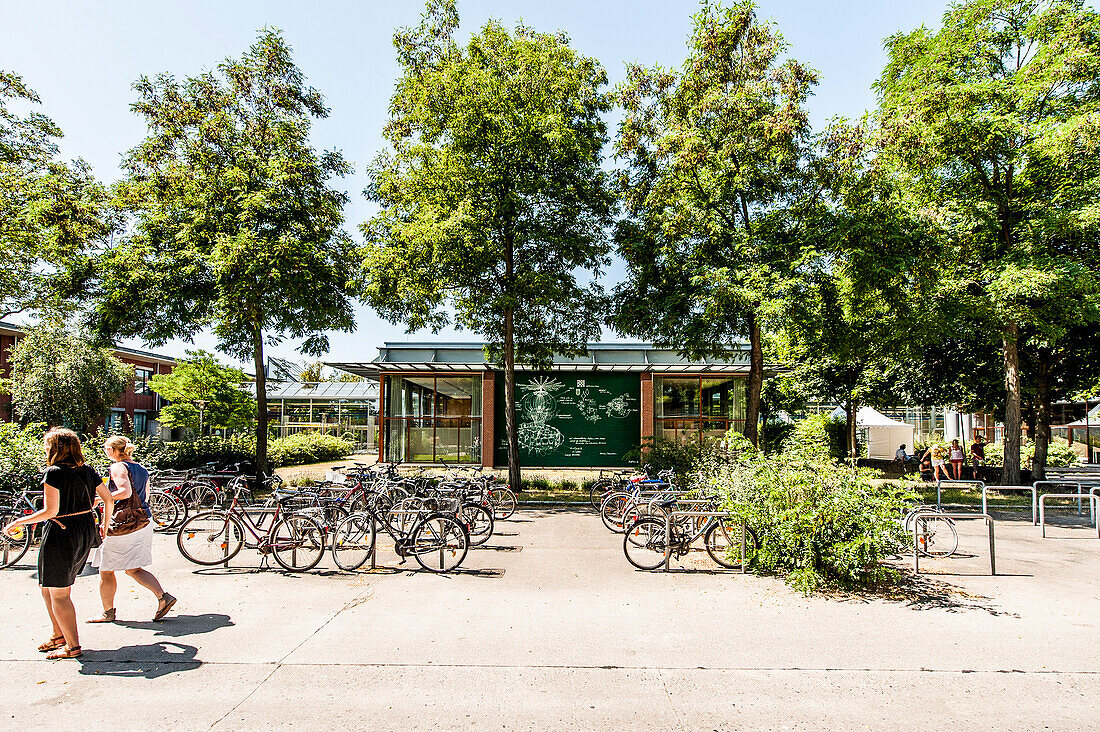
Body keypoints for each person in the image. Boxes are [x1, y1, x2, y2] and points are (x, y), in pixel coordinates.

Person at [2, 428, 114, 660]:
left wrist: (20, 521)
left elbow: (50, 510)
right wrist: (104, 525)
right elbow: (109, 498)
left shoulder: (53, 472)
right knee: (48, 586)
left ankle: (73, 646)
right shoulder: (87, 470)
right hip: (83, 529)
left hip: (62, 532)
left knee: (60, 593)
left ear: (55, 448)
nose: (45, 448)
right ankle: (58, 634)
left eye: (47, 444)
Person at [87, 435, 176, 624]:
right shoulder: (141, 468)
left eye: (106, 448)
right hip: (143, 520)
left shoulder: (118, 466)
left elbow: (125, 492)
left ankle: (107, 612)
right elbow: (146, 494)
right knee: (133, 568)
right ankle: (163, 597)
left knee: (106, 569)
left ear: (112, 450)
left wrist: (101, 498)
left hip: (125, 524)